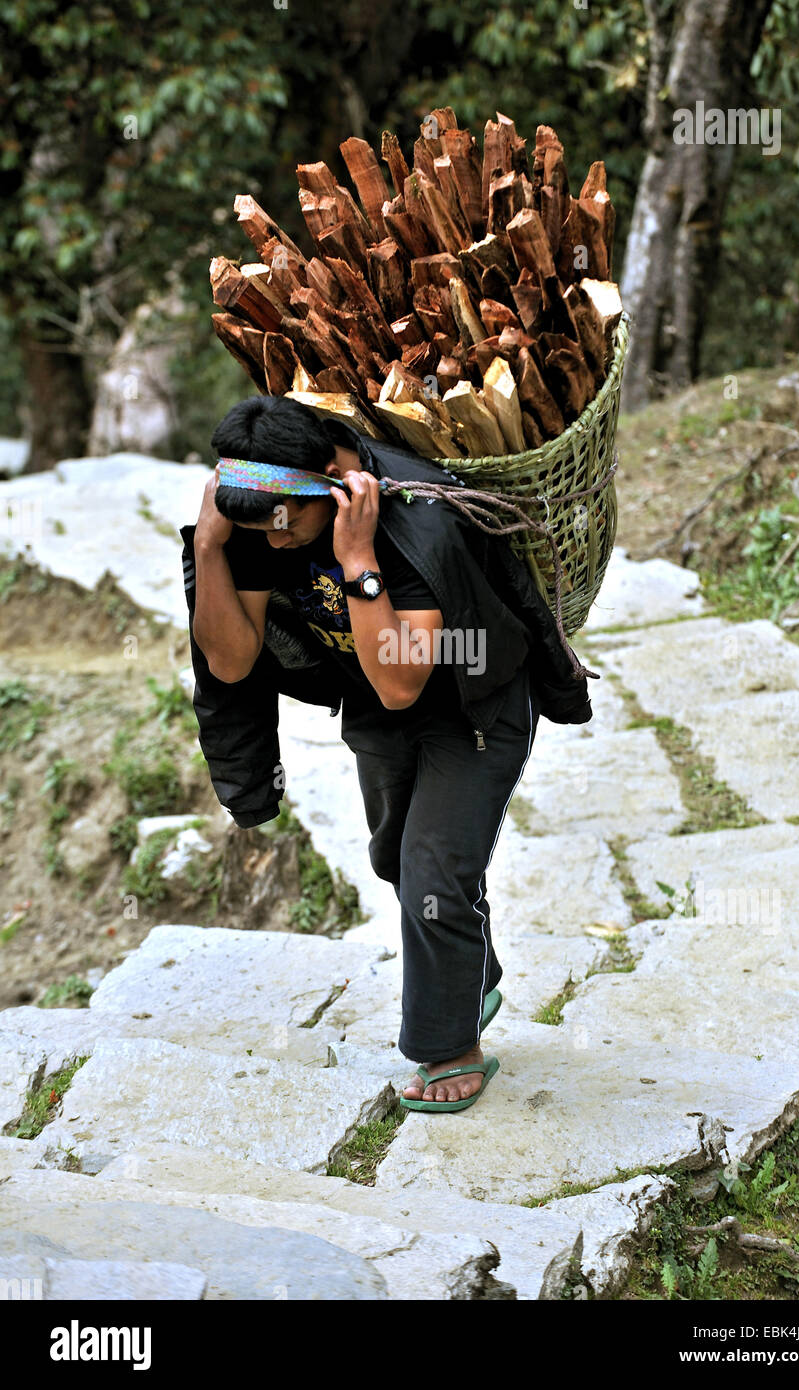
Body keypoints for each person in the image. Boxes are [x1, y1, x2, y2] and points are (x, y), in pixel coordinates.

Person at [181, 394, 594, 1111]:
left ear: (335, 480)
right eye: (257, 529)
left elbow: (405, 681)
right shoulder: (261, 520)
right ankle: (471, 974)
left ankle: (449, 1047)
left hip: (474, 702)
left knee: (432, 872)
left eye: (287, 525)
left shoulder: (415, 525)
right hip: (374, 704)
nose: (276, 543)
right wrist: (211, 546)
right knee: (394, 856)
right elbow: (230, 662)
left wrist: (358, 562)